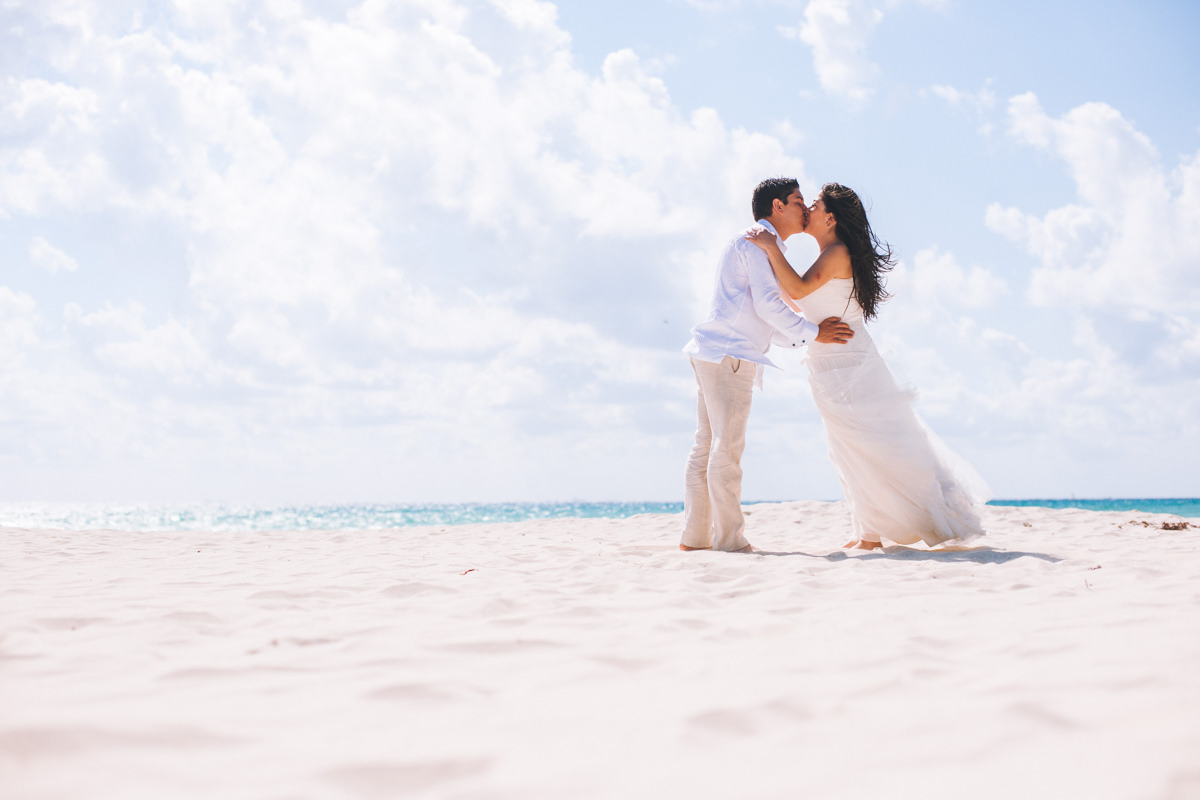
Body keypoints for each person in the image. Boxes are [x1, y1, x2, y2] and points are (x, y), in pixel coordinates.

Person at [746, 183, 987, 549]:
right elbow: (801, 303)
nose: (807, 209)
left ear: (830, 217)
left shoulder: (838, 252)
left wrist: (767, 247)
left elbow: (796, 290)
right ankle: (867, 532)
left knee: (870, 447)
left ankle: (879, 532)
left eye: (814, 204)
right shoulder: (828, 255)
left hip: (850, 365)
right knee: (847, 449)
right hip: (830, 365)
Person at [681, 178, 855, 553]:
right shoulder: (757, 242)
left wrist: (802, 335)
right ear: (777, 207)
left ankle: (695, 540)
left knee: (707, 445)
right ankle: (730, 541)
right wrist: (814, 333)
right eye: (797, 201)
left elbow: (762, 315)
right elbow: (768, 306)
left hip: (714, 351)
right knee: (725, 449)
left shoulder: (759, 244)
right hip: (730, 356)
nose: (805, 207)